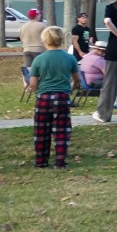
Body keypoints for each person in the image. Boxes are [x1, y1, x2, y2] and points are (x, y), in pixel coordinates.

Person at [28, 26, 82, 169]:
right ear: (62, 39)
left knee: (41, 130)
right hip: (62, 97)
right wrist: (70, 89)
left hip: (44, 97)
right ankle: (60, 162)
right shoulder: (70, 58)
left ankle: (41, 162)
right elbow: (77, 80)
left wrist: (38, 93)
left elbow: (33, 83)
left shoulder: (39, 59)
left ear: (44, 40)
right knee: (62, 130)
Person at [18, 8, 47, 86]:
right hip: (39, 49)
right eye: (39, 14)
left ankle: (27, 85)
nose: (40, 15)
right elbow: (46, 38)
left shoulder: (23, 27)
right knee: (40, 69)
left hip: (26, 49)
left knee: (28, 68)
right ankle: (40, 84)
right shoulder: (41, 25)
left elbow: (21, 38)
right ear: (36, 16)